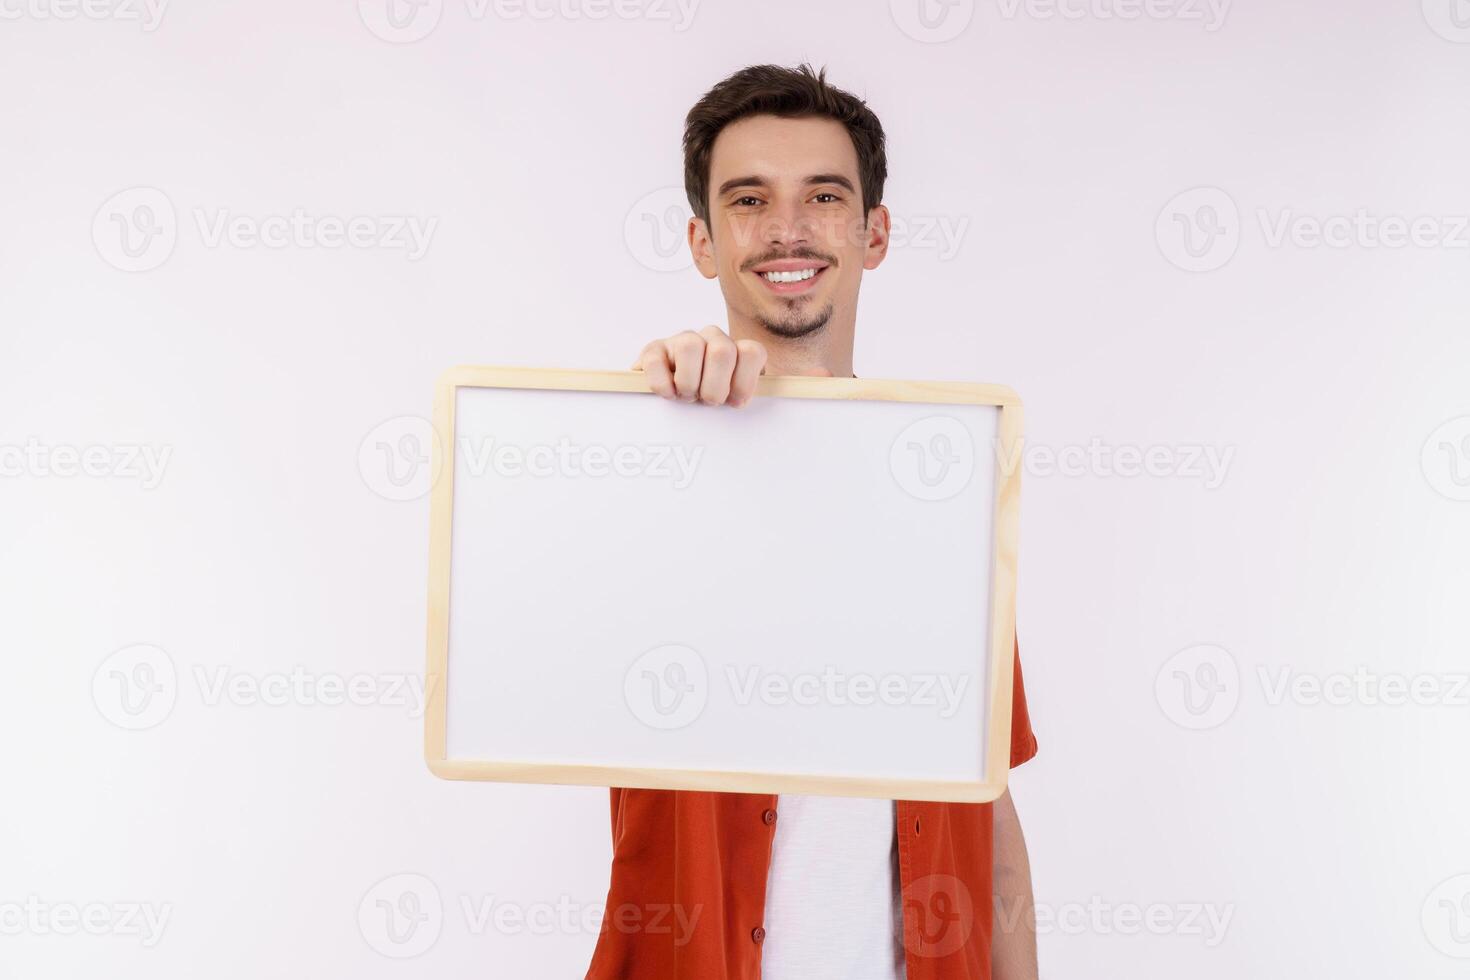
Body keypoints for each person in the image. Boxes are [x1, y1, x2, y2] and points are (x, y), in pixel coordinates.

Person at [585, 63, 1039, 980]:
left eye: (824, 197)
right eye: (748, 199)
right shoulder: (640, 477)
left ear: (873, 233)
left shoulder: (939, 498)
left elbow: (989, 833)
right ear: (702, 242)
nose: (787, 229)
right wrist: (650, 417)